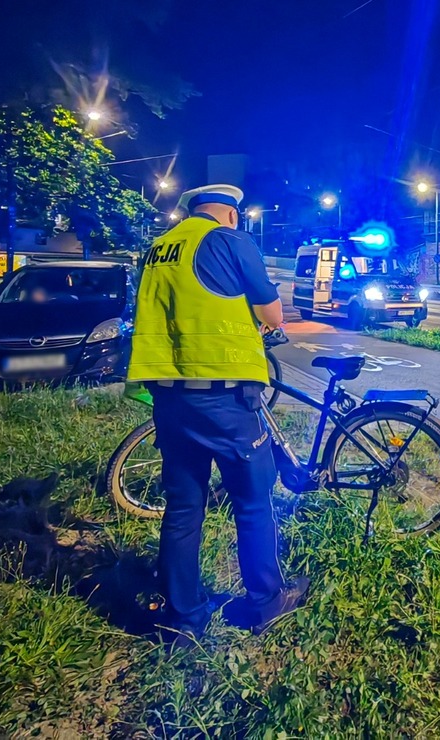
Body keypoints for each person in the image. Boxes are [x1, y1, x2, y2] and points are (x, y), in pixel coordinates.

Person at [127, 183, 307, 643]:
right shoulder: (229, 240)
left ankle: (184, 617)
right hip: (223, 395)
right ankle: (266, 601)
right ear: (231, 214)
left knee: (184, 506)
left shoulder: (159, 249)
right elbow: (273, 314)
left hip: (169, 394)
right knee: (253, 500)